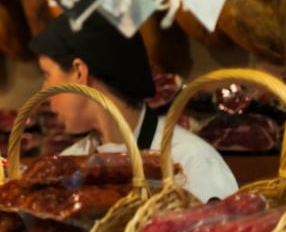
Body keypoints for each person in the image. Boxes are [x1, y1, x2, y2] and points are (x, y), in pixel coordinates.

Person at [29, 13, 237, 202]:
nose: (45, 91)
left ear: (79, 72)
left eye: (47, 75)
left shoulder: (191, 161)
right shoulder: (68, 164)